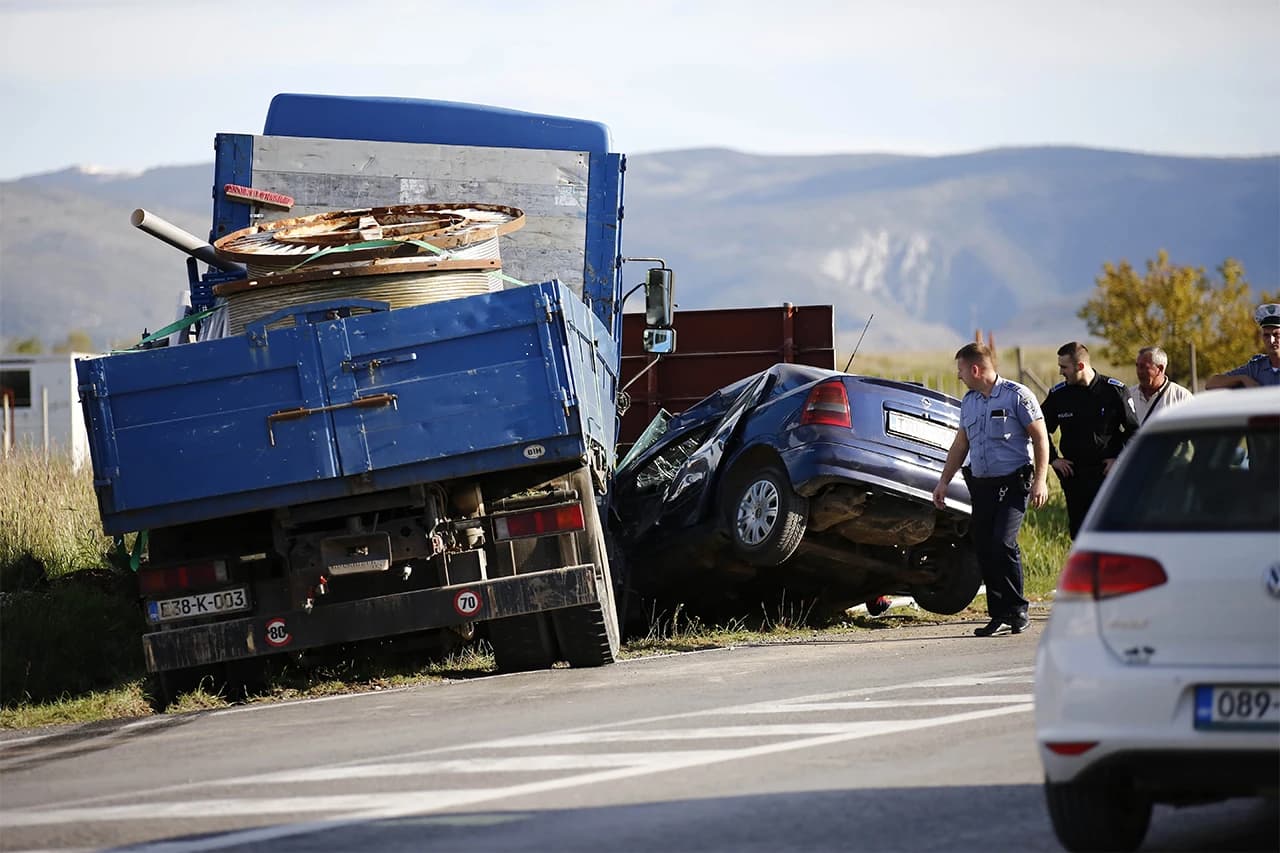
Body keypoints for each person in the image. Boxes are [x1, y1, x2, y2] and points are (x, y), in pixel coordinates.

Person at [932, 342, 1049, 637]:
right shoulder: (970, 401)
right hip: (981, 484)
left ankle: (1017, 609)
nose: (958, 376)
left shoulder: (1017, 396)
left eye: (960, 370)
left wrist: (1040, 480)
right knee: (983, 546)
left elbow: (1040, 438)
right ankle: (998, 614)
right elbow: (961, 444)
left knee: (1003, 542)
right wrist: (943, 481)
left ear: (975, 369)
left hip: (1012, 482)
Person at [1040, 342, 1139, 539]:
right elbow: (1040, 431)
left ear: (1080, 366)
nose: (1060, 372)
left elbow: (1134, 432)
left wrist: (1119, 459)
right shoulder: (1060, 395)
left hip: (1106, 474)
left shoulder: (1114, 391)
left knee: (1110, 530)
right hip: (1074, 475)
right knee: (1079, 532)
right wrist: (1053, 459)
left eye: (1064, 367)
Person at [1205, 303, 1280, 389]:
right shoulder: (1255, 368)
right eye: (1266, 335)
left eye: (1276, 335)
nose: (1271, 340)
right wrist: (1242, 379)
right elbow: (1211, 384)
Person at [1129, 345, 1192, 425]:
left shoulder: (1181, 397)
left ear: (1160, 369)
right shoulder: (1129, 396)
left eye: (1143, 367)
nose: (1139, 371)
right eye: (1137, 366)